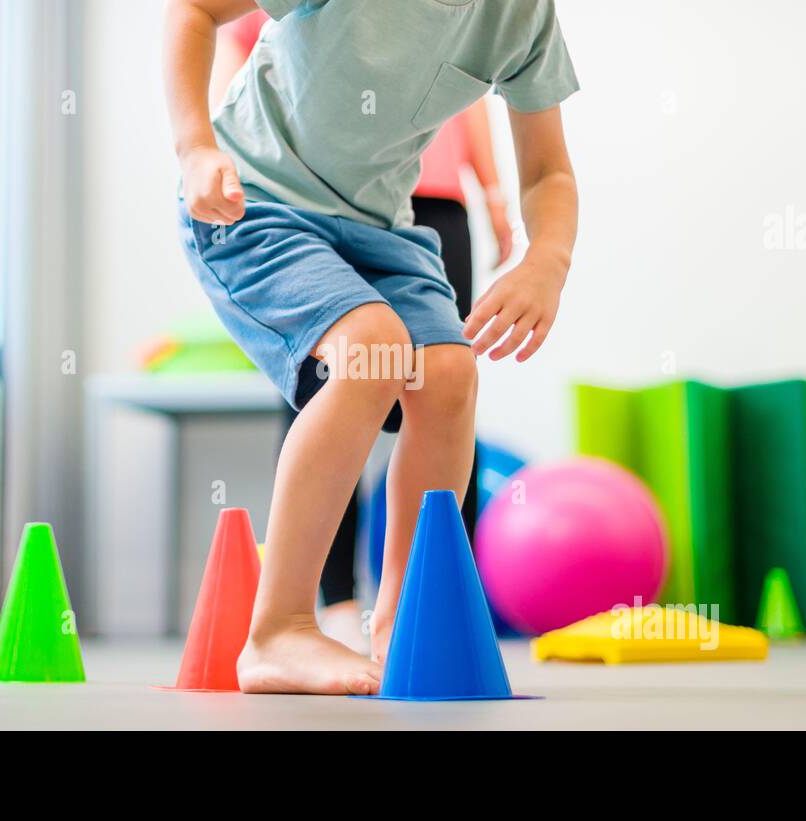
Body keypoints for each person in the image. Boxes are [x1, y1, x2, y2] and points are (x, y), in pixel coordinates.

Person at [166, 0, 578, 695]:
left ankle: (398, 620)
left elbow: (548, 172)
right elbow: (195, 11)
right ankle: (279, 628)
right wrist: (195, 146)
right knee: (372, 346)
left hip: (380, 228)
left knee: (448, 373)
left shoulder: (521, 15)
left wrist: (549, 261)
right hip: (254, 203)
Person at [210, 9, 515, 654]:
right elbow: (239, 56)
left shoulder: (477, 24)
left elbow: (475, 98)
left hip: (425, 204)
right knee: (334, 385)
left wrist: (492, 189)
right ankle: (333, 603)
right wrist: (214, 158)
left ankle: (421, 604)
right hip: (304, 194)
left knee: (446, 378)